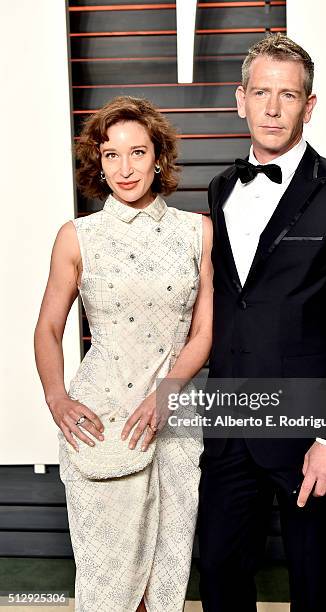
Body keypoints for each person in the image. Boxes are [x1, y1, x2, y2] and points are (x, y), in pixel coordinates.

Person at [198, 33, 326, 611]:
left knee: (311, 578)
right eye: (261, 93)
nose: (273, 107)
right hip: (229, 419)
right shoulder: (222, 187)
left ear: (310, 104)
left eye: (288, 94)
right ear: (240, 100)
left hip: (309, 425)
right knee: (219, 572)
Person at [34, 95, 213, 612]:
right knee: (110, 583)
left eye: (137, 152)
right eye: (111, 155)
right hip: (103, 418)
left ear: (159, 156)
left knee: (166, 577)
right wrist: (56, 397)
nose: (125, 167)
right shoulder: (77, 237)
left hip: (175, 417)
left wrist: (166, 395)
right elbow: (47, 327)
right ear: (98, 162)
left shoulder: (195, 232)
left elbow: (203, 331)